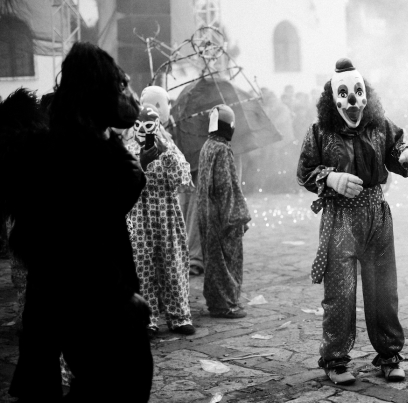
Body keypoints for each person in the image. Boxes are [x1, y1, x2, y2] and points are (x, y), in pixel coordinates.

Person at [6, 42, 152, 402]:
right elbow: (76, 236)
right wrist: (120, 296)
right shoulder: (80, 153)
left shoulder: (76, 142)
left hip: (67, 296)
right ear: (98, 90)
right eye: (120, 85)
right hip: (89, 301)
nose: (128, 95)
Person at [297, 58, 408, 385]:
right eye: (344, 93)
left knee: (384, 288)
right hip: (341, 218)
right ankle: (335, 360)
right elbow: (305, 172)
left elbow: (398, 149)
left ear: (366, 94)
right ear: (332, 98)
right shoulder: (320, 132)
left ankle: (390, 355)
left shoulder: (379, 126)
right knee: (339, 291)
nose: (352, 101)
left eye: (358, 92)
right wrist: (331, 178)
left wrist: (407, 155)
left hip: (376, 215)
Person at [126, 85, 195, 339]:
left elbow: (182, 177)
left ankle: (179, 316)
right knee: (143, 266)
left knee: (173, 263)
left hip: (166, 212)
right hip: (139, 214)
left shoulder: (169, 144)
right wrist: (142, 159)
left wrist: (165, 152)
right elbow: (126, 178)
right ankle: (148, 318)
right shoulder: (128, 146)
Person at [197, 104, 251, 319]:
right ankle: (226, 304)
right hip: (221, 215)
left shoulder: (207, 146)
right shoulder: (222, 149)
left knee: (213, 260)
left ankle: (215, 302)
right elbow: (225, 187)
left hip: (207, 213)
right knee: (226, 261)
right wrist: (233, 218)